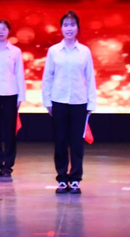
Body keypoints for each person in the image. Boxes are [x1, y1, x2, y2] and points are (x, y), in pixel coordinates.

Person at [41, 10, 97, 196]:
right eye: (66, 25)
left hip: (79, 102)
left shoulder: (84, 51)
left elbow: (90, 77)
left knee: (77, 142)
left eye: (72, 25)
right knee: (60, 141)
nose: (69, 28)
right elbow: (48, 77)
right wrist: (47, 101)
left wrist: (91, 103)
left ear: (78, 28)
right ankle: (62, 178)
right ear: (61, 28)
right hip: (58, 101)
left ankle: (75, 179)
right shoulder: (54, 51)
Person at [0, 19, 26, 177]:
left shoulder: (15, 51)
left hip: (11, 94)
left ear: (9, 31)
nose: (1, 32)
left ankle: (8, 165)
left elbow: (19, 74)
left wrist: (21, 96)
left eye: (4, 29)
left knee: (10, 132)